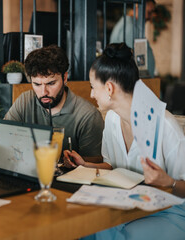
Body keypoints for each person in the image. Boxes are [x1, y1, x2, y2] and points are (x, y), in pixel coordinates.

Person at [64, 43, 185, 240]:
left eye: (93, 87)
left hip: (171, 211)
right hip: (130, 205)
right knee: (86, 229)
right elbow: (112, 165)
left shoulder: (165, 125)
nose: (92, 94)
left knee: (123, 236)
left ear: (109, 88)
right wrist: (86, 165)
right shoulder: (112, 119)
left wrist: (169, 182)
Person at [4, 45, 104, 158]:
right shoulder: (24, 101)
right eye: (37, 84)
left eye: (51, 83)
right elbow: (4, 141)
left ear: (65, 78)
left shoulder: (88, 116)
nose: (43, 92)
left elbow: (93, 166)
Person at [110, 0, 156, 77]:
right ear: (137, 7)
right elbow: (131, 56)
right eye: (149, 12)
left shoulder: (129, 24)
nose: (150, 17)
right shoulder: (129, 27)